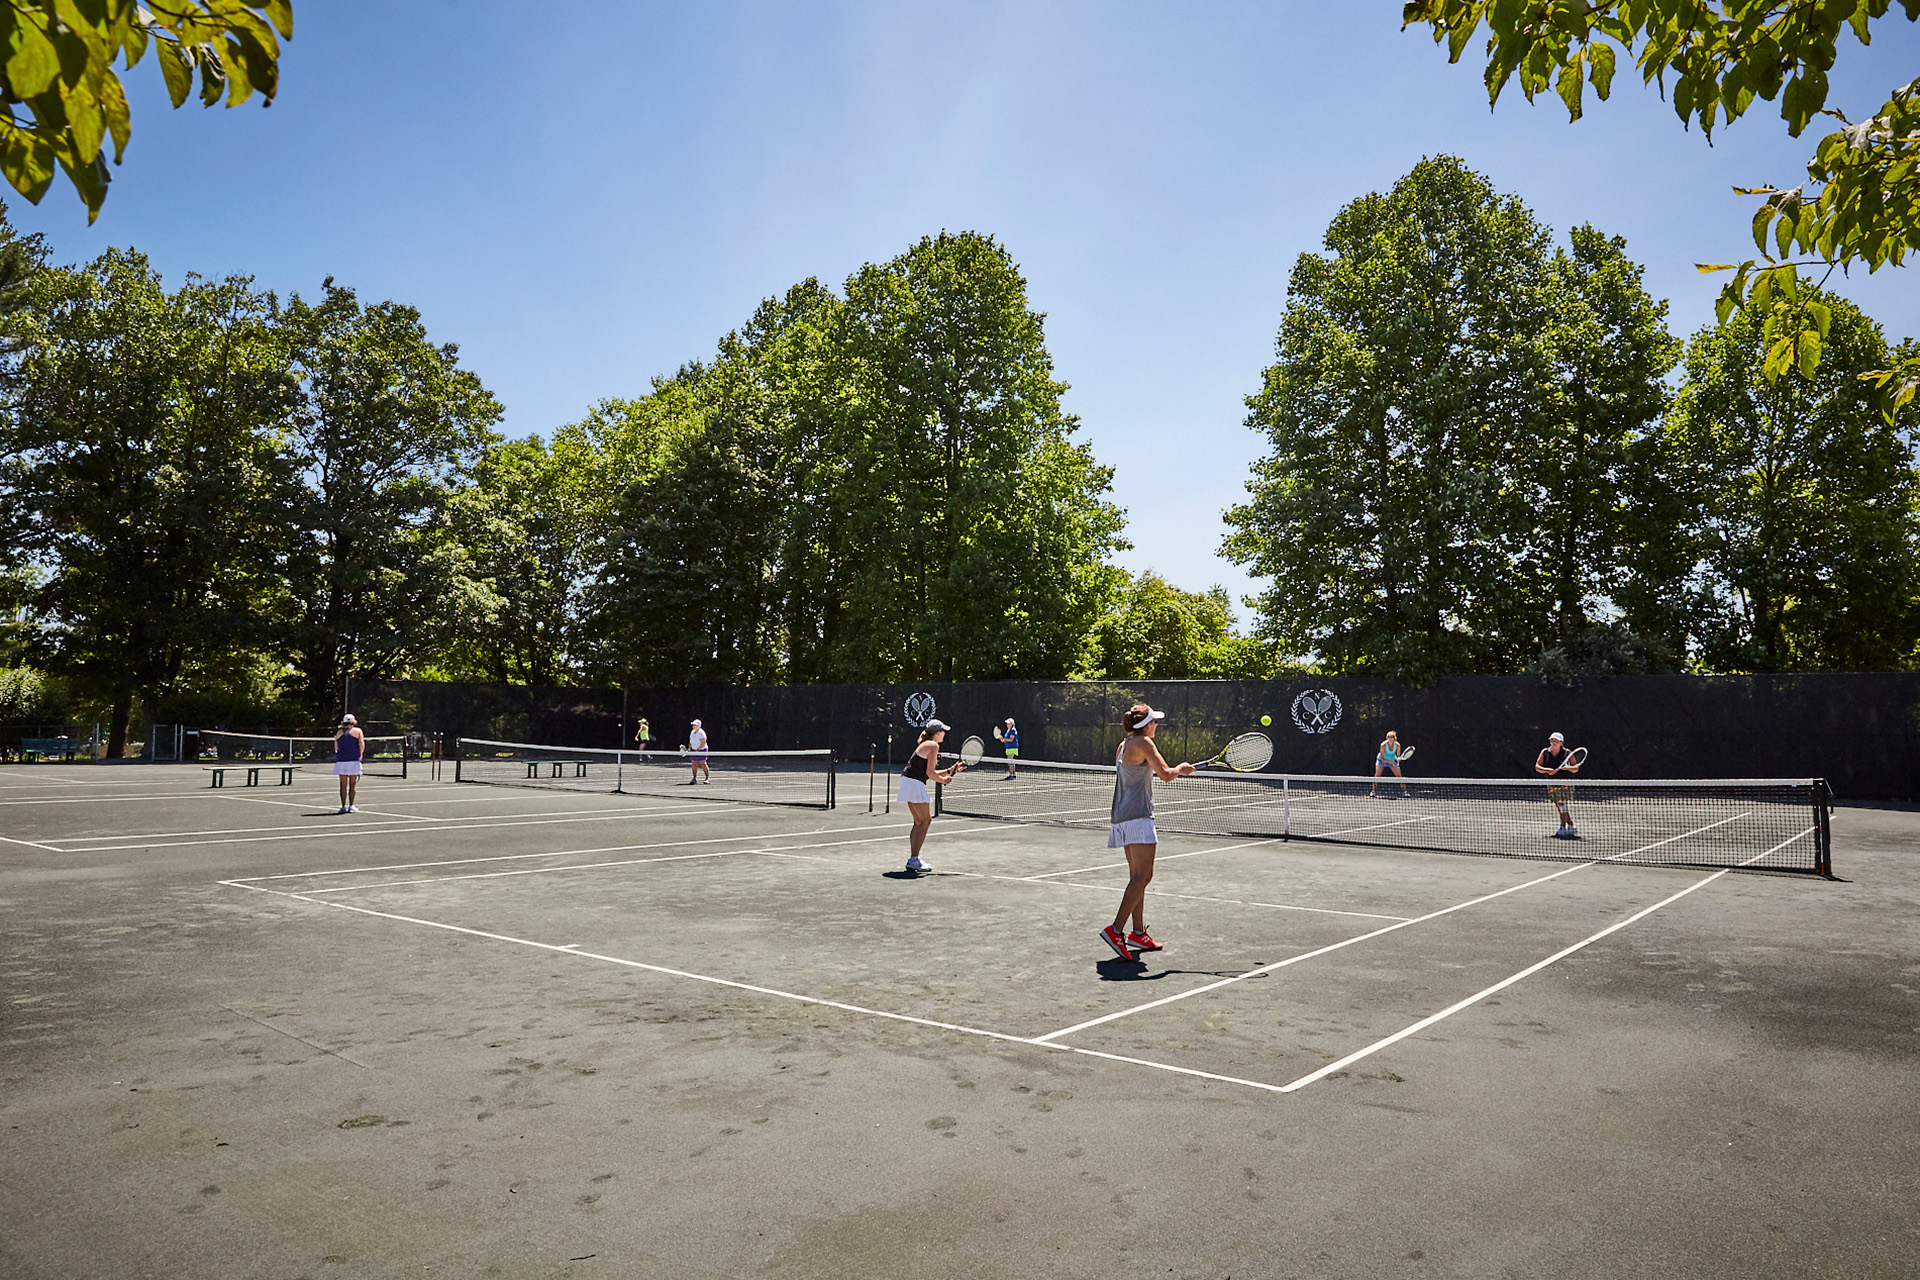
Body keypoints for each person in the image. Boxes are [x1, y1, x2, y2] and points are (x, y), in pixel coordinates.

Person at [1100, 704, 1195, 960]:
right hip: (1138, 818)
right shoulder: (1144, 743)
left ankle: (1138, 933)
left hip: (1122, 818)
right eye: (1154, 722)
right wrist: (1181, 769)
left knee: (1137, 877)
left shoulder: (1123, 745)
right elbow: (1165, 774)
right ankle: (1116, 930)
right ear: (1146, 725)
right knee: (1143, 877)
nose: (1157, 726)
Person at [898, 719, 965, 875]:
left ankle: (913, 859)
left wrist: (950, 770)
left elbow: (928, 773)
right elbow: (930, 774)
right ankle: (914, 860)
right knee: (925, 821)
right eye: (942, 731)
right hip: (914, 783)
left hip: (909, 781)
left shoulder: (926, 745)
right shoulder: (933, 745)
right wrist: (943, 781)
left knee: (919, 822)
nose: (944, 734)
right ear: (936, 733)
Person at [1535, 731, 1579, 837]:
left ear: (1561, 743)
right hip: (1552, 783)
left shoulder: (1567, 753)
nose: (1553, 742)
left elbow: (1576, 768)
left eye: (1556, 741)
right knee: (1559, 805)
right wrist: (1547, 770)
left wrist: (1568, 768)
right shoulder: (1545, 752)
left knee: (1561, 804)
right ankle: (1571, 825)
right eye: (1552, 740)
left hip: (1565, 783)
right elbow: (1537, 766)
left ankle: (1563, 826)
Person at [333, 714, 365, 814]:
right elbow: (361, 744)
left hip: (341, 761)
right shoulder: (358, 731)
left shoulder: (338, 732)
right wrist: (360, 755)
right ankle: (351, 806)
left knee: (342, 785)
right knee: (352, 784)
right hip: (353, 761)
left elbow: (336, 748)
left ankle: (343, 806)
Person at [1369, 730, 1409, 796]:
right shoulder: (1383, 745)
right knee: (1377, 775)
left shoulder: (1398, 745)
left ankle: (1405, 792)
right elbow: (1382, 757)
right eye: (1388, 737)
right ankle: (1373, 791)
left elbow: (1398, 756)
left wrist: (1398, 759)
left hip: (1392, 759)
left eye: (1392, 737)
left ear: (1394, 738)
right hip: (1381, 760)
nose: (1390, 738)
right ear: (1386, 738)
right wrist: (1390, 762)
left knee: (1399, 776)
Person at [687, 718, 710, 785]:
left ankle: (707, 778)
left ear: (699, 726)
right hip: (694, 750)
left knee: (703, 763)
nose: (693, 726)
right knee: (694, 763)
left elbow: (703, 742)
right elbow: (691, 741)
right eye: (693, 725)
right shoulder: (692, 732)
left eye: (695, 725)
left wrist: (698, 750)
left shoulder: (701, 733)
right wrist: (690, 748)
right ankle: (694, 778)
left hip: (702, 750)